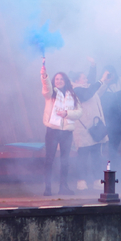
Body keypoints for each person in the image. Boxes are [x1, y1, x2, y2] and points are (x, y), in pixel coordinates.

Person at [41, 63, 81, 195]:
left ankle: (63, 187)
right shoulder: (50, 93)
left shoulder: (73, 95)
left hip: (67, 131)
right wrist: (44, 75)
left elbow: (79, 112)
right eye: (56, 79)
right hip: (53, 130)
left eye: (61, 79)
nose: (59, 81)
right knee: (49, 159)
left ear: (66, 81)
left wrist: (67, 114)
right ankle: (48, 188)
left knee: (65, 160)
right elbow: (46, 86)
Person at [71, 63, 111, 189]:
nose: (86, 79)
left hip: (95, 128)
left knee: (96, 156)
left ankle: (97, 179)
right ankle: (81, 181)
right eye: (83, 78)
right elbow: (87, 94)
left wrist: (93, 66)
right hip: (82, 129)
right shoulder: (75, 90)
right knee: (82, 156)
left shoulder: (88, 87)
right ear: (76, 80)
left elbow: (93, 86)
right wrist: (102, 79)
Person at [100, 64, 121, 165]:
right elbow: (97, 94)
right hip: (106, 122)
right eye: (107, 74)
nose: (110, 76)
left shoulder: (120, 82)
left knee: (114, 148)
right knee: (102, 148)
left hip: (119, 122)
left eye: (111, 74)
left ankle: (113, 169)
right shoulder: (101, 85)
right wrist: (105, 81)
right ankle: (101, 169)